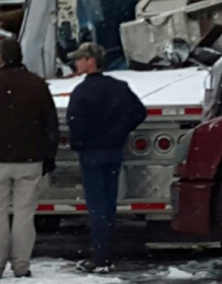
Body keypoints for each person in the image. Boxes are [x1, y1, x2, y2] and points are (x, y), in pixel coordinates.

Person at [0, 38, 60, 279]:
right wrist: (49, 155)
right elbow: (51, 123)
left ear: (0, 58)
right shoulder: (37, 85)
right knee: (24, 214)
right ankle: (21, 265)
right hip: (30, 159)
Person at [66, 42, 147, 273]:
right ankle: (106, 252)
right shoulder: (119, 88)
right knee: (109, 205)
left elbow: (75, 123)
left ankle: (100, 256)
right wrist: (120, 132)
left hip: (91, 154)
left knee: (96, 206)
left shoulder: (82, 92)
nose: (76, 63)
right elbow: (139, 112)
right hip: (113, 151)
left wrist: (80, 142)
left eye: (80, 58)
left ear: (91, 61)